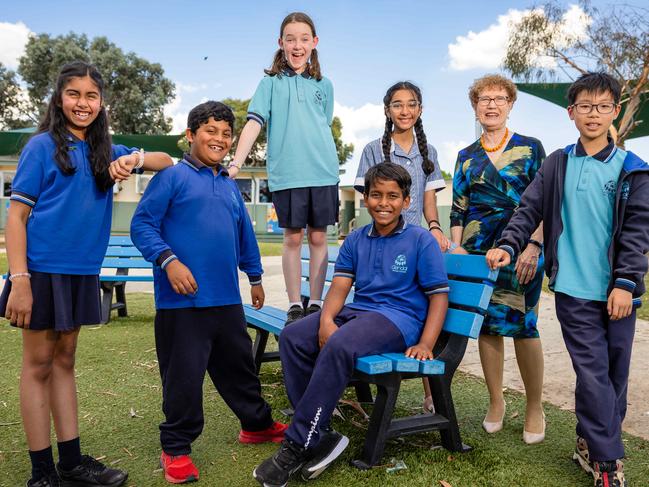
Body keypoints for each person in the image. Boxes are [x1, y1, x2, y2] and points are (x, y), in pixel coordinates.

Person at [0, 60, 173, 487]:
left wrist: (130, 160)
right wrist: (18, 281)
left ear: (101, 103)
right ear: (60, 99)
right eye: (74, 94)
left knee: (65, 361)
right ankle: (42, 473)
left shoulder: (104, 151)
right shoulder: (41, 146)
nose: (83, 103)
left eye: (91, 95)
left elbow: (167, 160)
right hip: (39, 272)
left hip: (81, 272)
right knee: (38, 364)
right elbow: (16, 218)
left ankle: (71, 463)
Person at [487, 72, 649, 487]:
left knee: (614, 375)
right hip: (574, 290)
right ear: (571, 113)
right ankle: (608, 462)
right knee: (594, 372)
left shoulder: (633, 169)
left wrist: (626, 283)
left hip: (618, 294)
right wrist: (509, 243)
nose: (593, 114)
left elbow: (637, 231)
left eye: (602, 107)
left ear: (614, 112)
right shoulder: (557, 162)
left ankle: (586, 440)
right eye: (585, 107)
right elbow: (529, 208)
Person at [253, 163, 449, 486]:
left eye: (392, 196)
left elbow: (438, 297)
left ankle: (297, 444)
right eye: (376, 195)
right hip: (360, 313)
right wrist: (326, 320)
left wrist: (427, 343)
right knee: (292, 335)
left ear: (406, 201)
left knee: (341, 342)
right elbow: (340, 287)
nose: (383, 202)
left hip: (398, 321)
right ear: (365, 198)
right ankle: (321, 434)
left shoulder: (420, 241)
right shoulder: (357, 239)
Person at [130, 101, 288, 485]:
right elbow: (142, 225)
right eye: (210, 131)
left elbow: (243, 236)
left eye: (225, 133)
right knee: (183, 377)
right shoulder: (171, 177)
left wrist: (254, 276)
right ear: (190, 135)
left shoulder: (229, 185)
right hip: (181, 304)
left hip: (226, 301)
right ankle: (177, 447)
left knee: (239, 368)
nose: (219, 139)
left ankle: (257, 424)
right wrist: (169, 260)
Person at [450, 74, 546, 443]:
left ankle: (535, 406)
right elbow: (458, 209)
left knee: (524, 326)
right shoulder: (466, 156)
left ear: (510, 104)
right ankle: (495, 402)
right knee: (487, 326)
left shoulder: (531, 147)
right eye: (484, 98)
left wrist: (534, 246)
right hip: (478, 253)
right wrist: (458, 248)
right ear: (475, 106)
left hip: (521, 250)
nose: (491, 104)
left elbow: (544, 203)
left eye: (499, 98)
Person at [228, 12, 339, 325]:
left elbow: (323, 124)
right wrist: (236, 163)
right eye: (290, 39)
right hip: (287, 175)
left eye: (304, 39)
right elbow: (253, 124)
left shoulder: (324, 85)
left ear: (314, 43)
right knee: (292, 238)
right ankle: (294, 304)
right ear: (281, 43)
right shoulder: (270, 83)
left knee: (319, 239)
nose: (297, 45)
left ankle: (315, 302)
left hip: (323, 173)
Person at [354, 81, 449, 413]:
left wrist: (435, 228)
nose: (404, 111)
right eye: (397, 104)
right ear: (387, 110)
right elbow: (368, 198)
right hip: (382, 241)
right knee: (377, 302)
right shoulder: (373, 149)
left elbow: (427, 200)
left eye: (411, 104)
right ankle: (356, 383)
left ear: (420, 110)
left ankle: (430, 393)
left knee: (422, 302)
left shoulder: (428, 153)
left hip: (413, 242)